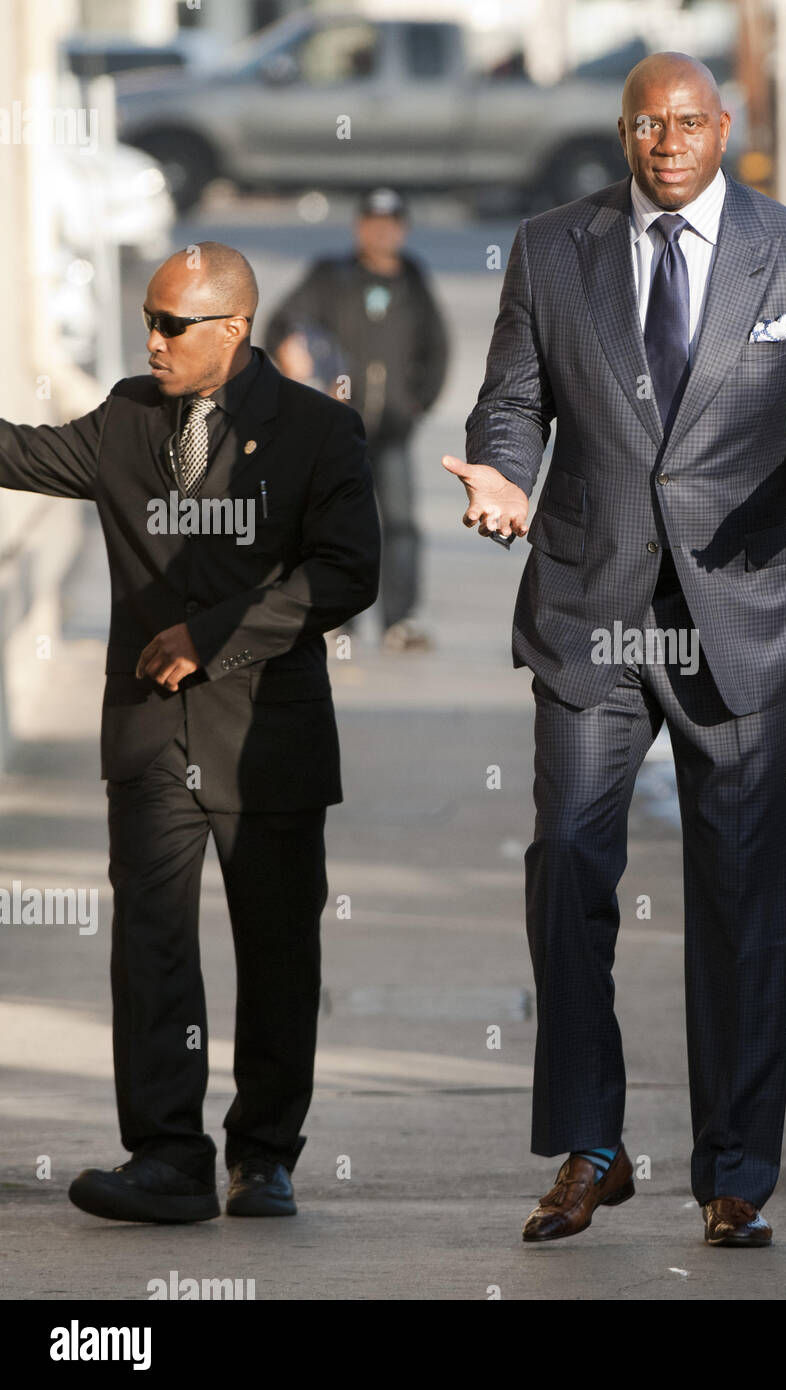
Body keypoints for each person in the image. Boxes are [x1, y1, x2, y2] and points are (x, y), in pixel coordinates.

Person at [444, 52, 786, 1247]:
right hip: (592, 608)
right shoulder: (550, 247)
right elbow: (511, 402)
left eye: (691, 121)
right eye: (650, 123)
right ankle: (591, 1143)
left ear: (722, 127)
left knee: (740, 900)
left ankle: (733, 1171)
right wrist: (499, 474)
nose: (671, 141)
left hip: (737, 613)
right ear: (626, 131)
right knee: (567, 871)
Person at [0, 242, 380, 1222]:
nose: (154, 340)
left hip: (268, 737)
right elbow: (18, 450)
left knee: (278, 948)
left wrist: (213, 636)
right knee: (153, 943)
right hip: (151, 737)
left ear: (233, 329)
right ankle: (168, 1156)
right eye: (149, 320)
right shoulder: (126, 415)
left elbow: (347, 573)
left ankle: (264, 1156)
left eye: (174, 324)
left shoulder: (316, 429)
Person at [268, 187, 449, 652]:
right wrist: (293, 352)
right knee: (337, 525)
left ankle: (400, 620)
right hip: (338, 432)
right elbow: (282, 323)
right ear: (359, 227)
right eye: (372, 222)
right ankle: (338, 621)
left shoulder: (412, 279)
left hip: (392, 429)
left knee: (401, 523)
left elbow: (437, 348)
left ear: (402, 230)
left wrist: (417, 404)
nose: (381, 232)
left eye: (391, 223)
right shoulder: (332, 276)